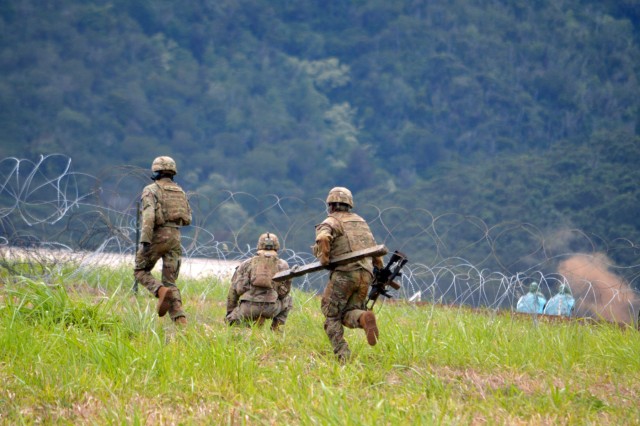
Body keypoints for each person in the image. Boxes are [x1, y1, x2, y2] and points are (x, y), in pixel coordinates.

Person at [312, 186, 384, 362]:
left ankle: (342, 354)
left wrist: (325, 259)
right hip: (366, 274)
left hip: (345, 273)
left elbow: (322, 238)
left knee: (331, 314)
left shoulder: (331, 221)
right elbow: (375, 250)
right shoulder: (361, 222)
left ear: (330, 205)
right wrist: (378, 269)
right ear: (349, 204)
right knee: (350, 311)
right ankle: (363, 317)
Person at [134, 156, 192, 325]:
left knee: (140, 270)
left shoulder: (151, 190)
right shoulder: (180, 192)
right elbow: (188, 218)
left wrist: (145, 239)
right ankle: (181, 322)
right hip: (176, 236)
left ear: (156, 171)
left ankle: (159, 290)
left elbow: (149, 215)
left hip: (157, 235)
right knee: (171, 282)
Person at [225, 232, 293, 330]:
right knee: (289, 300)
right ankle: (276, 328)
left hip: (248, 308)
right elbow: (284, 293)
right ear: (277, 246)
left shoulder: (247, 263)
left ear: (259, 245)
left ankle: (242, 328)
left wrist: (230, 313)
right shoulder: (283, 265)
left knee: (233, 322)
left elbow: (234, 291)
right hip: (271, 308)